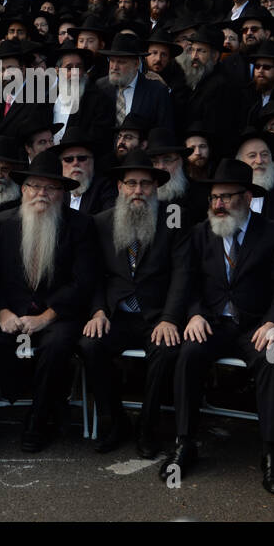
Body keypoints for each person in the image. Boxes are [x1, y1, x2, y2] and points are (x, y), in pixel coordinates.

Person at [165, 158, 274, 492]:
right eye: (214, 198)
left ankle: (271, 454)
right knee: (189, 353)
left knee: (273, 358)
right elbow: (186, 283)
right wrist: (192, 314)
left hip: (255, 326)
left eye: (227, 197)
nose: (218, 204)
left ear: (247, 198)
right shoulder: (198, 233)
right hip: (213, 323)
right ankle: (184, 443)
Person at [0, 150, 97, 451]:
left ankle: (37, 420)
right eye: (34, 186)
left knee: (56, 346)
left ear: (61, 192)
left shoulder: (80, 225)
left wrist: (46, 317)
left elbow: (84, 281)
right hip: (13, 314)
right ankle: (43, 396)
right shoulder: (1, 223)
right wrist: (2, 312)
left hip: (57, 315)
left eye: (50, 187)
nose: (41, 193)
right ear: (24, 189)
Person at [78, 149, 182, 457]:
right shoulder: (99, 222)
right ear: (120, 187)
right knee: (89, 345)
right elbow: (92, 275)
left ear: (155, 187)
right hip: (116, 315)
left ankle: (147, 427)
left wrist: (170, 318)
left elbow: (183, 274)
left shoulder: (173, 220)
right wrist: (97, 311)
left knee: (166, 352)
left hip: (157, 316)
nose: (139, 190)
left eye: (146, 184)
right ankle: (116, 421)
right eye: (132, 183)